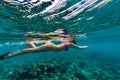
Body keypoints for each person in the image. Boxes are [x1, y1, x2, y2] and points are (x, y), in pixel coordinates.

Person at [0, 29, 88, 60]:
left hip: (50, 46)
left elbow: (74, 45)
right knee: (30, 51)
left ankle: (29, 41)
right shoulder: (68, 44)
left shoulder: (67, 43)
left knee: (33, 49)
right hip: (50, 46)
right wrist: (82, 47)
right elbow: (78, 47)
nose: (71, 38)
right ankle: (9, 55)